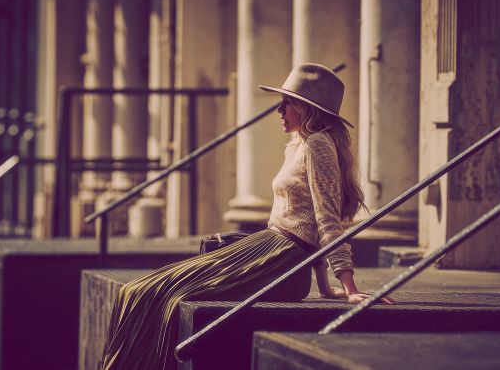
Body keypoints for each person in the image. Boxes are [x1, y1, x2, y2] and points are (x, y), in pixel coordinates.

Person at [100, 62, 394, 370]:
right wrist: (322, 287)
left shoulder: (318, 145)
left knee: (154, 292)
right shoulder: (297, 145)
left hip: (280, 261)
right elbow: (305, 217)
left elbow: (327, 219)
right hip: (267, 249)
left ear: (308, 109)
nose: (280, 110)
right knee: (135, 290)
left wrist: (348, 286)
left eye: (288, 102)